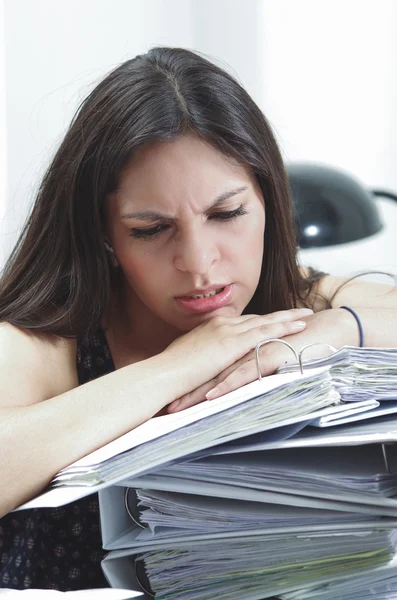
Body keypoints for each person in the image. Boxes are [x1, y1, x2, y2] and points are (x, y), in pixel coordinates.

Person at [0, 46, 396, 592]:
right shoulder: (46, 340)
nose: (200, 263)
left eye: (226, 214)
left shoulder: (295, 302)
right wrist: (175, 368)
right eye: (151, 229)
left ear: (269, 203)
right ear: (105, 238)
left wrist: (337, 328)